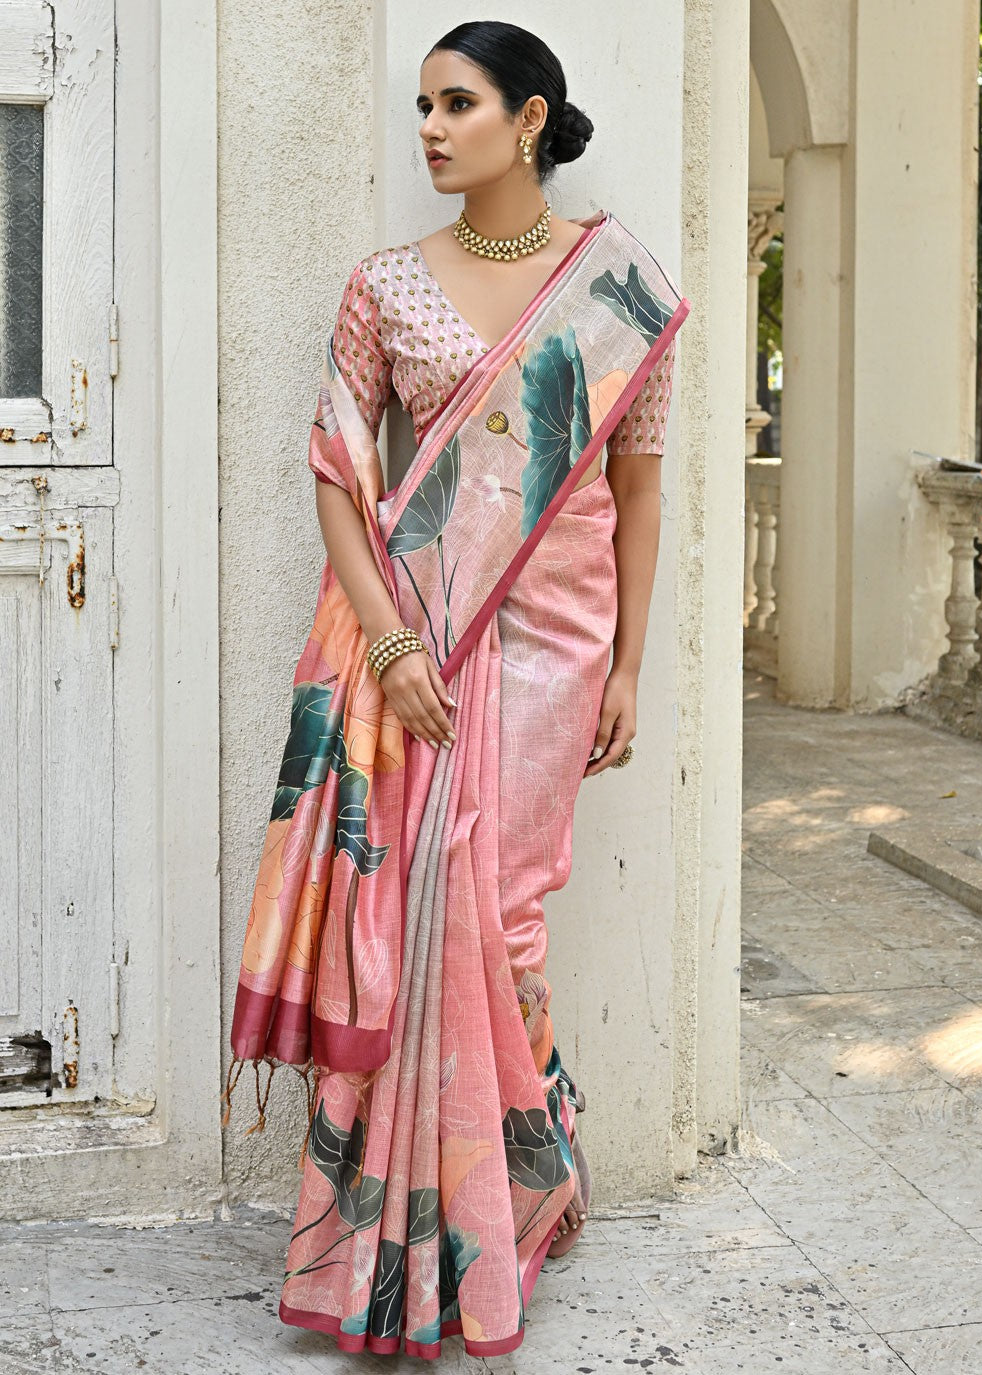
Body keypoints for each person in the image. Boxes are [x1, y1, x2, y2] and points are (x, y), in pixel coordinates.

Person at [222, 18, 689, 1361]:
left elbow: (637, 488)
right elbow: (339, 474)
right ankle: (410, 1232)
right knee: (405, 912)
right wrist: (387, 647)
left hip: (558, 641)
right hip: (417, 640)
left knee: (506, 922)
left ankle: (507, 1205)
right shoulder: (385, 287)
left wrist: (629, 665)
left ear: (529, 118)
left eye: (457, 103)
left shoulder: (619, 291)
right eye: (423, 105)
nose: (429, 128)